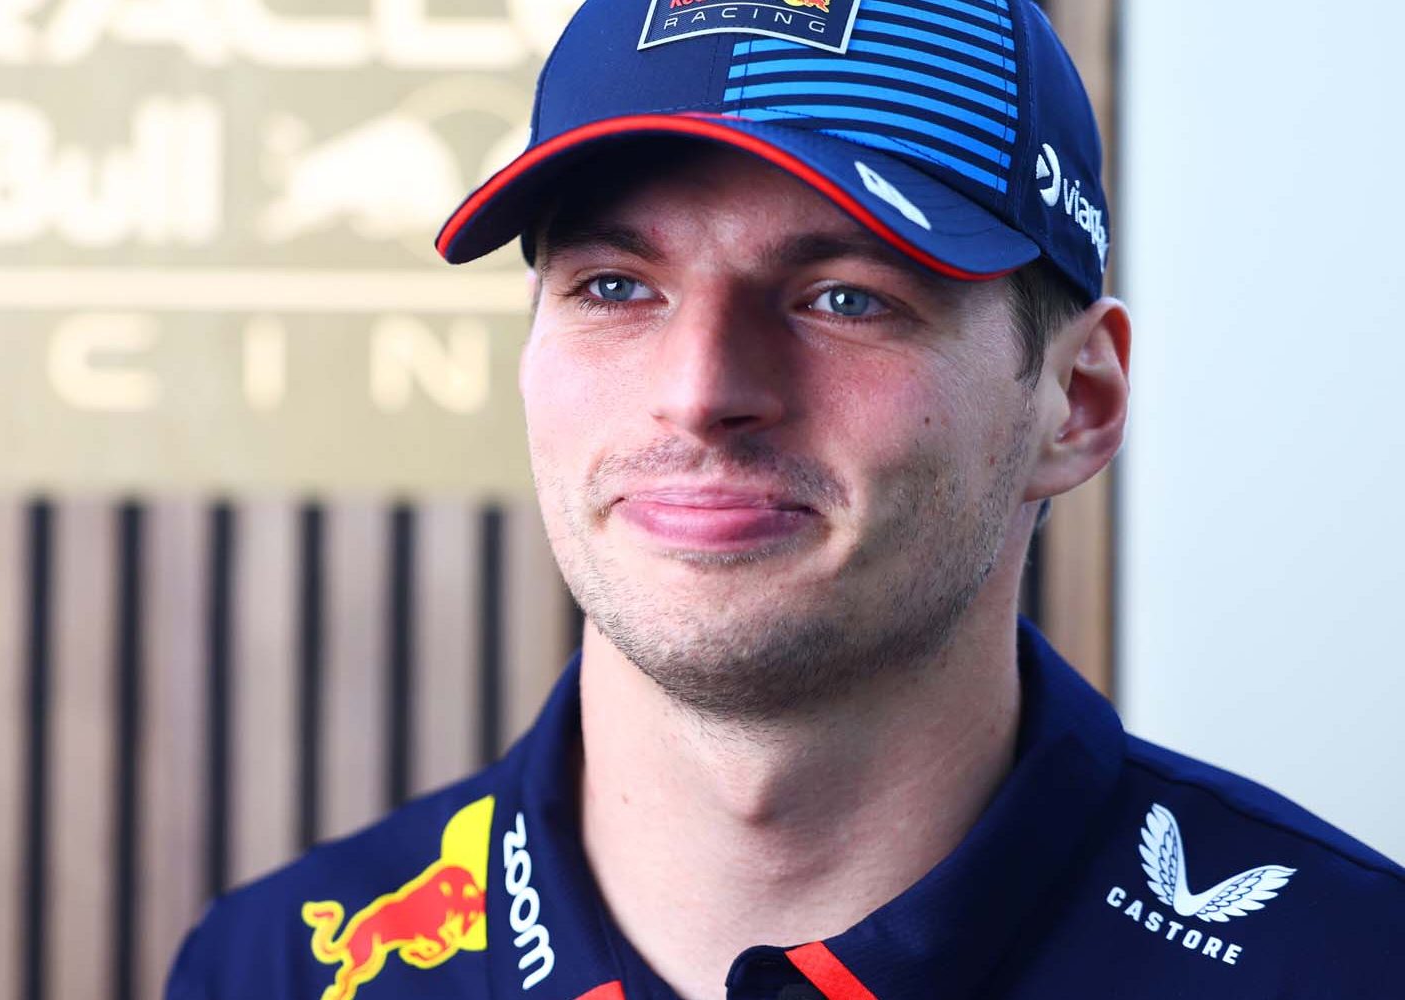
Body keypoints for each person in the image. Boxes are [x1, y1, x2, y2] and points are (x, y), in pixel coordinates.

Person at [167, 0, 1405, 997]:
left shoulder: (1349, 967)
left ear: (1075, 401)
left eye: (845, 296)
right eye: (613, 287)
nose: (701, 393)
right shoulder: (279, 966)